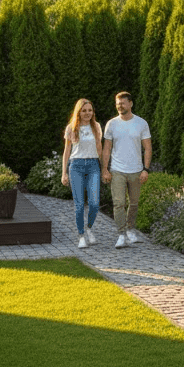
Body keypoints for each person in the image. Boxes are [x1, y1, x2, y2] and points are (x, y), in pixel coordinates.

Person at [101, 91, 151, 248]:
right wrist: (105, 169)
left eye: (122, 103)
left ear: (130, 103)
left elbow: (148, 148)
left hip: (136, 170)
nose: (119, 106)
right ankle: (121, 234)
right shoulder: (111, 124)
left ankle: (130, 230)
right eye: (117, 103)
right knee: (118, 203)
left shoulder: (141, 123)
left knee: (134, 203)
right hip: (117, 170)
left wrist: (146, 169)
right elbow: (106, 149)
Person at [61, 98, 102, 249]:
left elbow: (99, 147)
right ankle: (81, 236)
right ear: (79, 112)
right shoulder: (71, 128)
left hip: (93, 165)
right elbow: (66, 151)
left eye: (90, 110)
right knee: (79, 205)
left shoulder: (96, 126)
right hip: (76, 166)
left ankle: (89, 228)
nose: (87, 113)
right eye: (84, 110)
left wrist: (104, 169)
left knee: (94, 202)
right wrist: (64, 173)